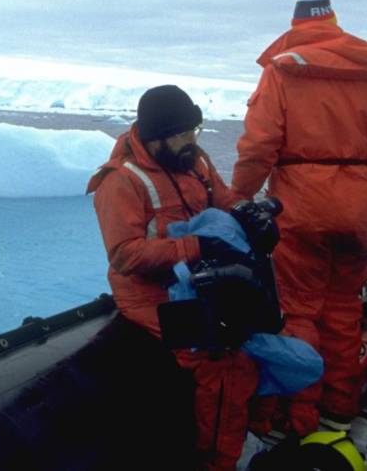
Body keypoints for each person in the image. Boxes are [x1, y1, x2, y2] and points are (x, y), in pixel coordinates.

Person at [231, 0, 367, 436]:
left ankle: (300, 418)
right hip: (357, 203)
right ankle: (339, 409)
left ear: (295, 24)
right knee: (345, 308)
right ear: (334, 22)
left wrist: (238, 197)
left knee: (299, 311)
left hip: (301, 202)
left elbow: (259, 146)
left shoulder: (283, 71)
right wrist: (362, 190)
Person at [86, 84, 257, 471]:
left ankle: (252, 431)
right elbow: (125, 256)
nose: (189, 142)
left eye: (192, 132)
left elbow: (224, 200)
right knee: (219, 365)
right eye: (180, 134)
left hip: (201, 280)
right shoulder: (121, 181)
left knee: (258, 336)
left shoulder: (194, 162)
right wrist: (199, 247)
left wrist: (248, 213)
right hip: (151, 295)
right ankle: (213, 463)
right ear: (156, 137)